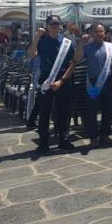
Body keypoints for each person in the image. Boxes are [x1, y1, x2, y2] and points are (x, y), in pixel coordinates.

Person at [27, 15, 76, 154]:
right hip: (46, 78)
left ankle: (63, 139)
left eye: (56, 23)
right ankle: (44, 142)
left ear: (60, 25)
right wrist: (37, 36)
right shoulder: (42, 40)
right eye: (51, 23)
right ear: (47, 25)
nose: (54, 26)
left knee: (63, 111)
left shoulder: (66, 42)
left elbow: (72, 63)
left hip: (62, 79)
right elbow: (31, 54)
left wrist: (62, 80)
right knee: (44, 111)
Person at [74, 23, 112, 147]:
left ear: (104, 33)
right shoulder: (87, 47)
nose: (99, 33)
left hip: (108, 82)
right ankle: (93, 136)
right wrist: (81, 43)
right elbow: (76, 59)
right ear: (92, 33)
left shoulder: (111, 46)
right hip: (93, 83)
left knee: (107, 110)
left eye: (101, 31)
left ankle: (105, 134)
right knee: (92, 110)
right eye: (96, 31)